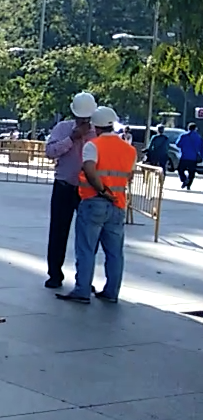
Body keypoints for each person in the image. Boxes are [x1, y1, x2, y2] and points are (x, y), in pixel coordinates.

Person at [57, 106, 136, 304]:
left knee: (86, 248)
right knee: (115, 252)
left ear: (96, 125)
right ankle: (111, 292)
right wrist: (112, 193)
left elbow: (90, 171)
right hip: (118, 204)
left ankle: (82, 290)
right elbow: (128, 175)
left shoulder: (93, 145)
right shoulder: (129, 149)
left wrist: (102, 190)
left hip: (94, 201)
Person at [42, 91, 97, 289]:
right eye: (80, 117)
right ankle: (54, 274)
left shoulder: (97, 132)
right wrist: (71, 139)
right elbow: (49, 151)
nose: (83, 121)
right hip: (64, 186)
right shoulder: (63, 128)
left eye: (87, 118)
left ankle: (84, 279)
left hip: (88, 190)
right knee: (58, 232)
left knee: (87, 236)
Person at [176, 123, 202, 190]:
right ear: (195, 129)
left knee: (180, 170)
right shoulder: (198, 137)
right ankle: (189, 184)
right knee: (191, 172)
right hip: (193, 158)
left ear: (188, 128)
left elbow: (178, 144)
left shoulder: (183, 136)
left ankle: (184, 179)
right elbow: (201, 148)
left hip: (184, 156)